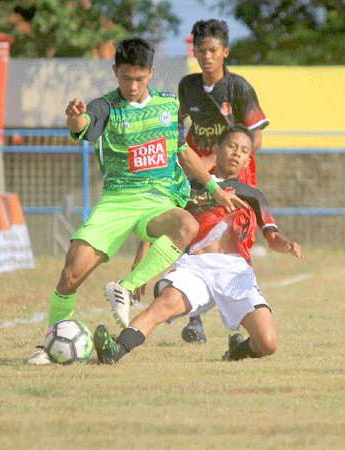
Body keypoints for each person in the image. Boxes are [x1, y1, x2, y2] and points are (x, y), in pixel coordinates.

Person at [27, 38, 246, 365]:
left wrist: (213, 186)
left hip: (157, 202)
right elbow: (84, 127)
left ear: (151, 74)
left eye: (139, 79)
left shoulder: (169, 106)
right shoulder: (106, 107)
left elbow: (182, 151)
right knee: (71, 272)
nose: (132, 86)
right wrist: (75, 117)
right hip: (117, 202)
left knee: (186, 223)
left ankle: (125, 289)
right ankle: (51, 344)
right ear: (116, 72)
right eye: (126, 78)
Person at [91, 125, 302, 365]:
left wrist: (284, 243)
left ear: (247, 161)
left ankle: (237, 351)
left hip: (234, 270)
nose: (236, 153)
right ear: (216, 149)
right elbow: (165, 222)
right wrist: (141, 262)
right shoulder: (187, 185)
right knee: (163, 306)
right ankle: (114, 349)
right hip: (195, 266)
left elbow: (271, 236)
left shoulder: (253, 195)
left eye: (244, 151)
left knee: (268, 342)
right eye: (232, 146)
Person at [130, 18, 273, 344]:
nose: (205, 56)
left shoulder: (238, 88)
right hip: (195, 173)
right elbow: (176, 129)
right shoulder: (188, 86)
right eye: (200, 50)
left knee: (230, 248)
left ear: (225, 51)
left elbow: (257, 135)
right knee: (180, 224)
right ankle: (186, 310)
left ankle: (241, 321)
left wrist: (228, 162)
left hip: (231, 176)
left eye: (212, 50)